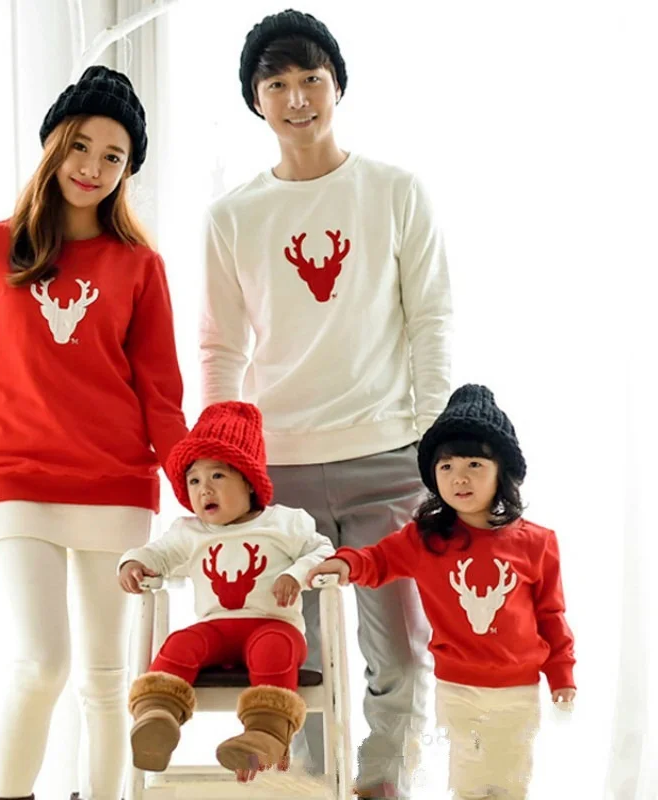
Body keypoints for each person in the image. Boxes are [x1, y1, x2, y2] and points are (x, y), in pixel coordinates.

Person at [200, 9, 453, 797]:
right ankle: (307, 784)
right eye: (276, 84)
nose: (298, 97)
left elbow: (431, 318)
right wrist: (221, 462)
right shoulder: (232, 216)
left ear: (337, 85)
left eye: (312, 78)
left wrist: (435, 442)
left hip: (388, 459)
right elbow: (219, 348)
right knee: (292, 656)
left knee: (400, 648)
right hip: (278, 471)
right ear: (256, 101)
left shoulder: (395, 192)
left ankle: (382, 781)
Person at [0, 65, 187, 800]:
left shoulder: (140, 266)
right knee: (41, 664)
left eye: (114, 156)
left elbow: (162, 397)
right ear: (54, 145)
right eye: (81, 146)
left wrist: (202, 493)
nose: (93, 167)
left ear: (128, 171)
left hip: (116, 488)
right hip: (17, 484)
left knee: (106, 678)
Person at [307, 384, 577, 800]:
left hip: (518, 690)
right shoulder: (425, 540)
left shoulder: (537, 543)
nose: (459, 477)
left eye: (474, 464)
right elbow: (377, 560)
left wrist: (561, 673)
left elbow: (551, 614)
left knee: (510, 779)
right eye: (446, 466)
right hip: (457, 689)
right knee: (468, 778)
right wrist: (346, 564)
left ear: (502, 472)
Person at [118, 401, 335, 783]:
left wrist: (297, 574)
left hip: (274, 626)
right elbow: (158, 554)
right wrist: (133, 562)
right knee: (181, 643)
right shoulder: (189, 531)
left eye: (217, 475)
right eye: (194, 481)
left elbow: (323, 551)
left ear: (249, 481)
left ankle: (265, 734)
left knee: (274, 648)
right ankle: (157, 715)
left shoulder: (284, 522)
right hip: (215, 629)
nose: (205, 489)